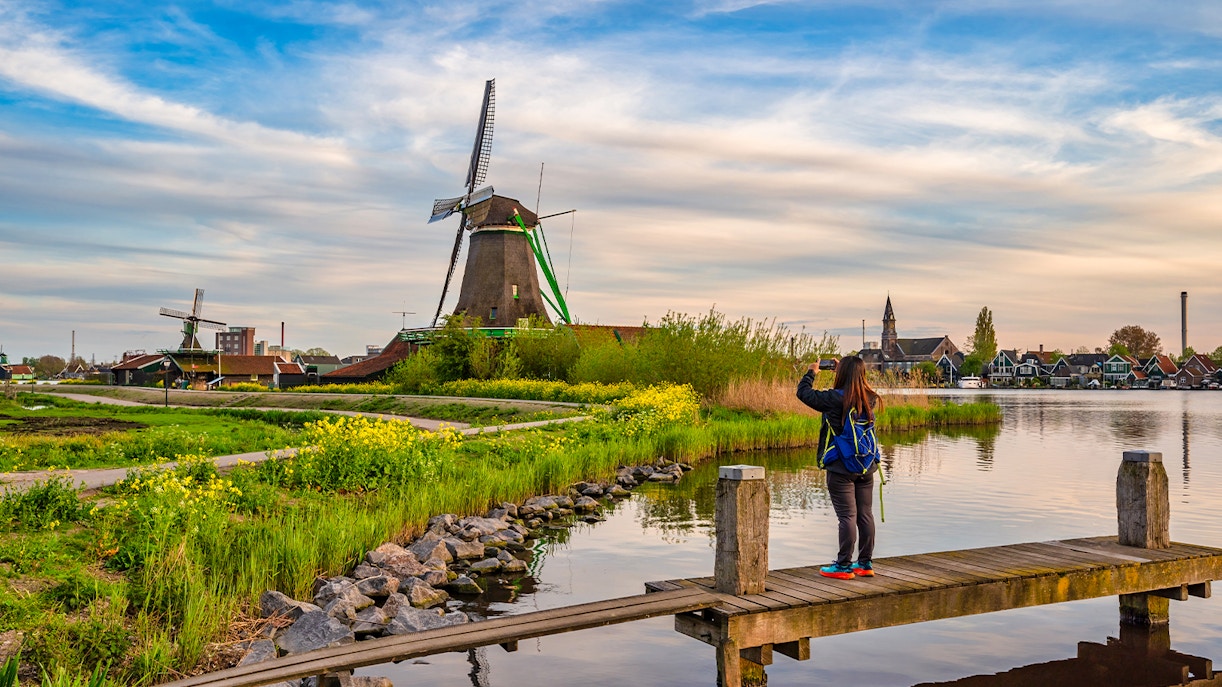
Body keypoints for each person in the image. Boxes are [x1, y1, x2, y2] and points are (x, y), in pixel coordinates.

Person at [796, 355, 882, 579]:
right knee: (865, 514)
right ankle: (864, 564)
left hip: (840, 467)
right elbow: (856, 386)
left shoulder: (834, 399)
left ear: (841, 374)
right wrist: (844, 370)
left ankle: (843, 566)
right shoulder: (870, 398)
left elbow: (803, 393)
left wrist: (812, 372)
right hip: (866, 465)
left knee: (847, 516)